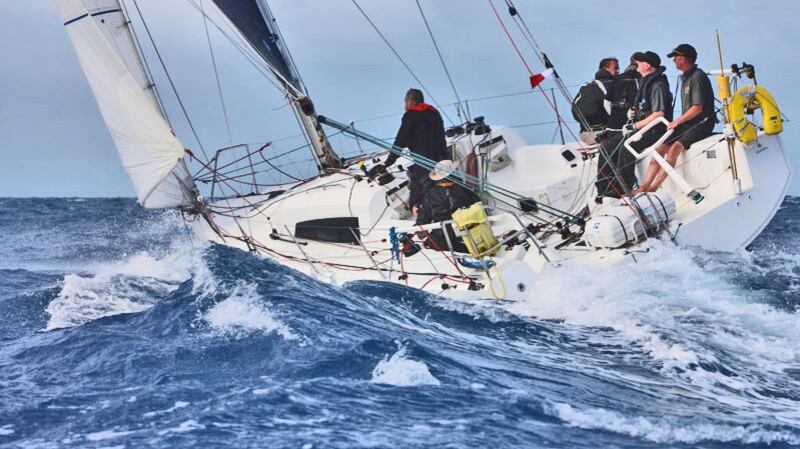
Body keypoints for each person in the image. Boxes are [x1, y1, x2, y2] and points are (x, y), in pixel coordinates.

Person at [637, 44, 716, 193]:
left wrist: (677, 121)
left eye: (676, 57)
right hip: (688, 123)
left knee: (674, 149)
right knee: (659, 148)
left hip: (702, 123)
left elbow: (697, 108)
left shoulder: (697, 76)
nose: (673, 60)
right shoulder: (685, 77)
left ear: (683, 58)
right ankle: (644, 187)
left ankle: (653, 188)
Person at [368, 88, 449, 213]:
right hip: (443, 159)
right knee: (443, 186)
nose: (404, 106)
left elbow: (401, 139)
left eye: (405, 102)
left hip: (424, 162)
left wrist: (388, 162)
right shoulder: (434, 112)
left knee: (418, 191)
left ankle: (422, 218)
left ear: (411, 101)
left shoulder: (411, 115)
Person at [595, 55, 641, 198]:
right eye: (616, 67)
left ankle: (604, 189)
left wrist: (614, 117)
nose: (619, 70)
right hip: (626, 126)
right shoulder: (641, 79)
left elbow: (606, 103)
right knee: (621, 153)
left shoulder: (617, 79)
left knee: (608, 153)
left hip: (612, 125)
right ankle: (620, 189)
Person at [415, 160, 480, 252]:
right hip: (470, 232)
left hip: (443, 238)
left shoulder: (430, 194)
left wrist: (420, 229)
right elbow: (478, 204)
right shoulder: (464, 189)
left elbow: (424, 216)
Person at [573, 57, 619, 144]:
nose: (618, 70)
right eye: (616, 68)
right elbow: (613, 109)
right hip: (606, 134)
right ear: (606, 69)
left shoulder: (587, 85)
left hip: (585, 134)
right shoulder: (611, 85)